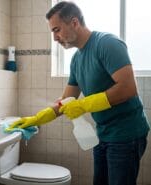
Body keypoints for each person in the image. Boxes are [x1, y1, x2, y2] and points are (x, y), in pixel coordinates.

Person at [8, 1, 150, 185]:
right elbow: (66, 100)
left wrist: (83, 105)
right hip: (104, 134)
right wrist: (35, 119)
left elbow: (128, 88)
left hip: (126, 135)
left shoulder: (107, 43)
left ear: (74, 22)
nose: (55, 38)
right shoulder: (76, 59)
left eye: (57, 30)